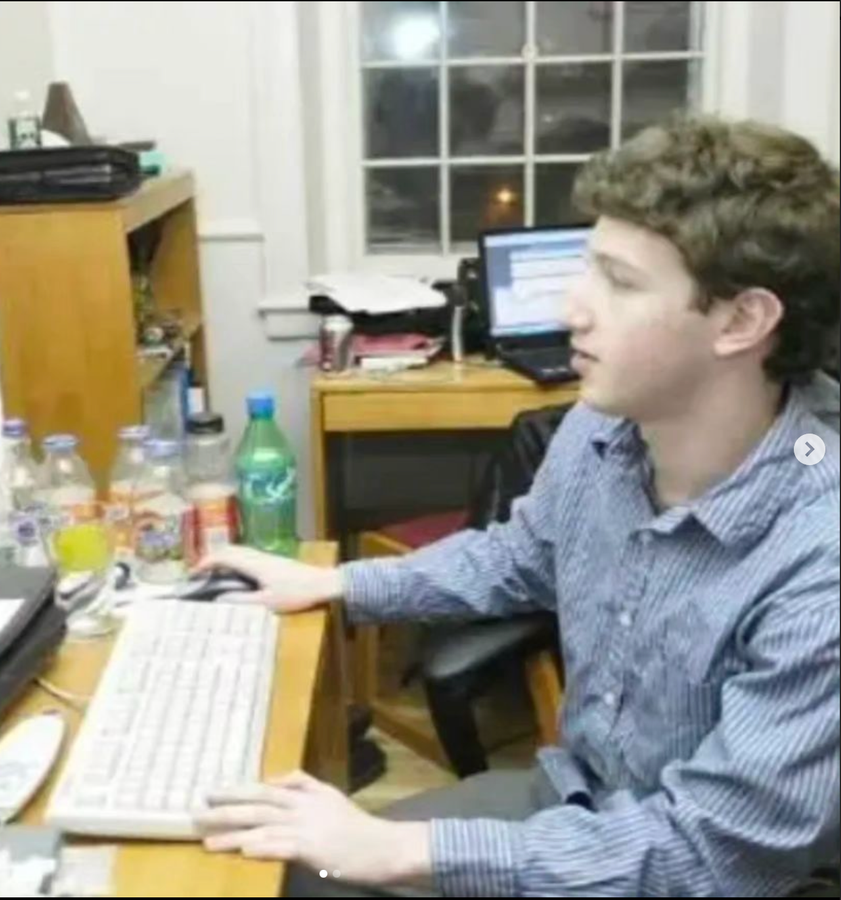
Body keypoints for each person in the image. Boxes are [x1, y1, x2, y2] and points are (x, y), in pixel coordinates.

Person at [195, 115, 841, 897]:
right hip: (577, 802)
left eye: (620, 282)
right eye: (587, 268)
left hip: (707, 872)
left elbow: (712, 853)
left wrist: (400, 850)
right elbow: (521, 555)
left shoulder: (820, 553)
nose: (572, 308)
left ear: (742, 321)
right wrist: (339, 584)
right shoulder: (603, 426)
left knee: (333, 868)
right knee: (285, 870)